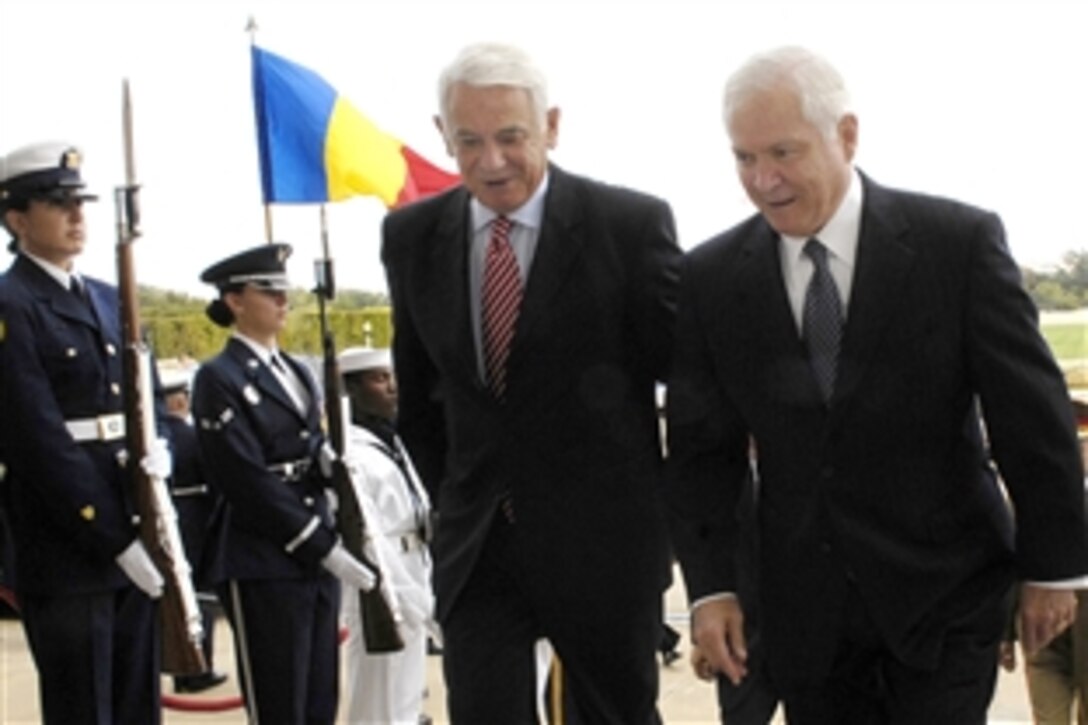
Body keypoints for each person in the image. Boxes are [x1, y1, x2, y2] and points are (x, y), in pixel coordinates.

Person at [665, 45, 1088, 723]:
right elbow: (700, 452)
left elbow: (1030, 417)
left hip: (947, 592)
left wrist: (1055, 566)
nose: (763, 179)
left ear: (847, 135)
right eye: (744, 158)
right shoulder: (712, 278)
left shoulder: (958, 244)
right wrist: (711, 587)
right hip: (806, 615)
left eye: (783, 152)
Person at [381, 41, 682, 723]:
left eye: (511, 137)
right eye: (469, 140)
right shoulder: (412, 236)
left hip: (605, 546)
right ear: (442, 135)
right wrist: (464, 496)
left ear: (551, 124)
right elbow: (420, 399)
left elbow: (686, 382)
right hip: (479, 547)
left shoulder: (628, 227)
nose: (491, 161)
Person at [0, 141, 171, 723]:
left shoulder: (106, 296)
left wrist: (161, 452)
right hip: (69, 542)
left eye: (80, 202)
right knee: (85, 709)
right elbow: (35, 438)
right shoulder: (12, 303)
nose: (77, 216)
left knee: (135, 706)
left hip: (133, 517)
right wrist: (114, 539)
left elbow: (144, 398)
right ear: (17, 220)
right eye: (57, 203)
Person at [191, 243, 375, 723]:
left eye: (284, 291)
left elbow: (309, 440)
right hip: (264, 552)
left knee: (318, 696)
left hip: (312, 544)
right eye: (268, 291)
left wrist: (328, 462)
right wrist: (319, 544)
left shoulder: (295, 370)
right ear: (234, 301)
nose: (282, 301)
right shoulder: (219, 377)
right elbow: (244, 478)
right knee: (280, 701)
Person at [337, 345, 436, 725]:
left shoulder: (389, 441)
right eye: (379, 379)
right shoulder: (350, 451)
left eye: (392, 377)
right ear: (352, 391)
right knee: (379, 701)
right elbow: (367, 532)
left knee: (406, 694)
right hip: (383, 584)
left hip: (414, 566)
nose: (393, 387)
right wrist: (406, 597)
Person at [159, 371, 229, 694]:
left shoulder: (158, 436)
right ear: (179, 400)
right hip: (195, 518)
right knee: (201, 598)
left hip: (168, 518)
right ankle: (198, 666)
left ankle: (179, 668)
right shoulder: (191, 436)